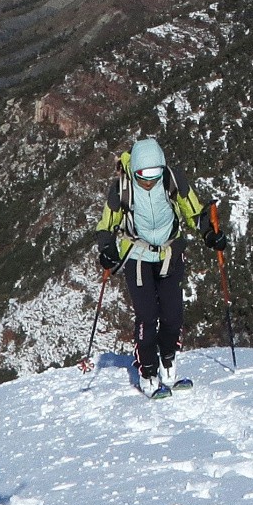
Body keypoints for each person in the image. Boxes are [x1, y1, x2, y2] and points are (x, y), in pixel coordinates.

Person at [94, 137, 227, 399]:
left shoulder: (172, 180)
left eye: (155, 175)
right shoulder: (123, 187)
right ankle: (148, 373)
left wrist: (210, 235)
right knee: (147, 316)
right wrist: (106, 247)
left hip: (170, 254)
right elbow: (107, 223)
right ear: (135, 172)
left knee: (173, 315)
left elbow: (193, 212)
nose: (149, 181)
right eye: (143, 176)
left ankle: (168, 364)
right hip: (138, 255)